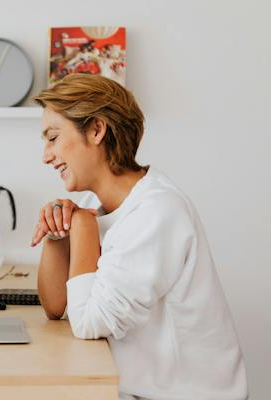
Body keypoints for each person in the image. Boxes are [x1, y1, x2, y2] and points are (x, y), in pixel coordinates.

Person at [31, 74, 248, 400]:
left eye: (53, 137)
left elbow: (90, 323)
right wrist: (57, 235)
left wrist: (83, 228)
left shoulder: (157, 210)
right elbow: (55, 306)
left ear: (96, 130)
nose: (46, 155)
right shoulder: (95, 204)